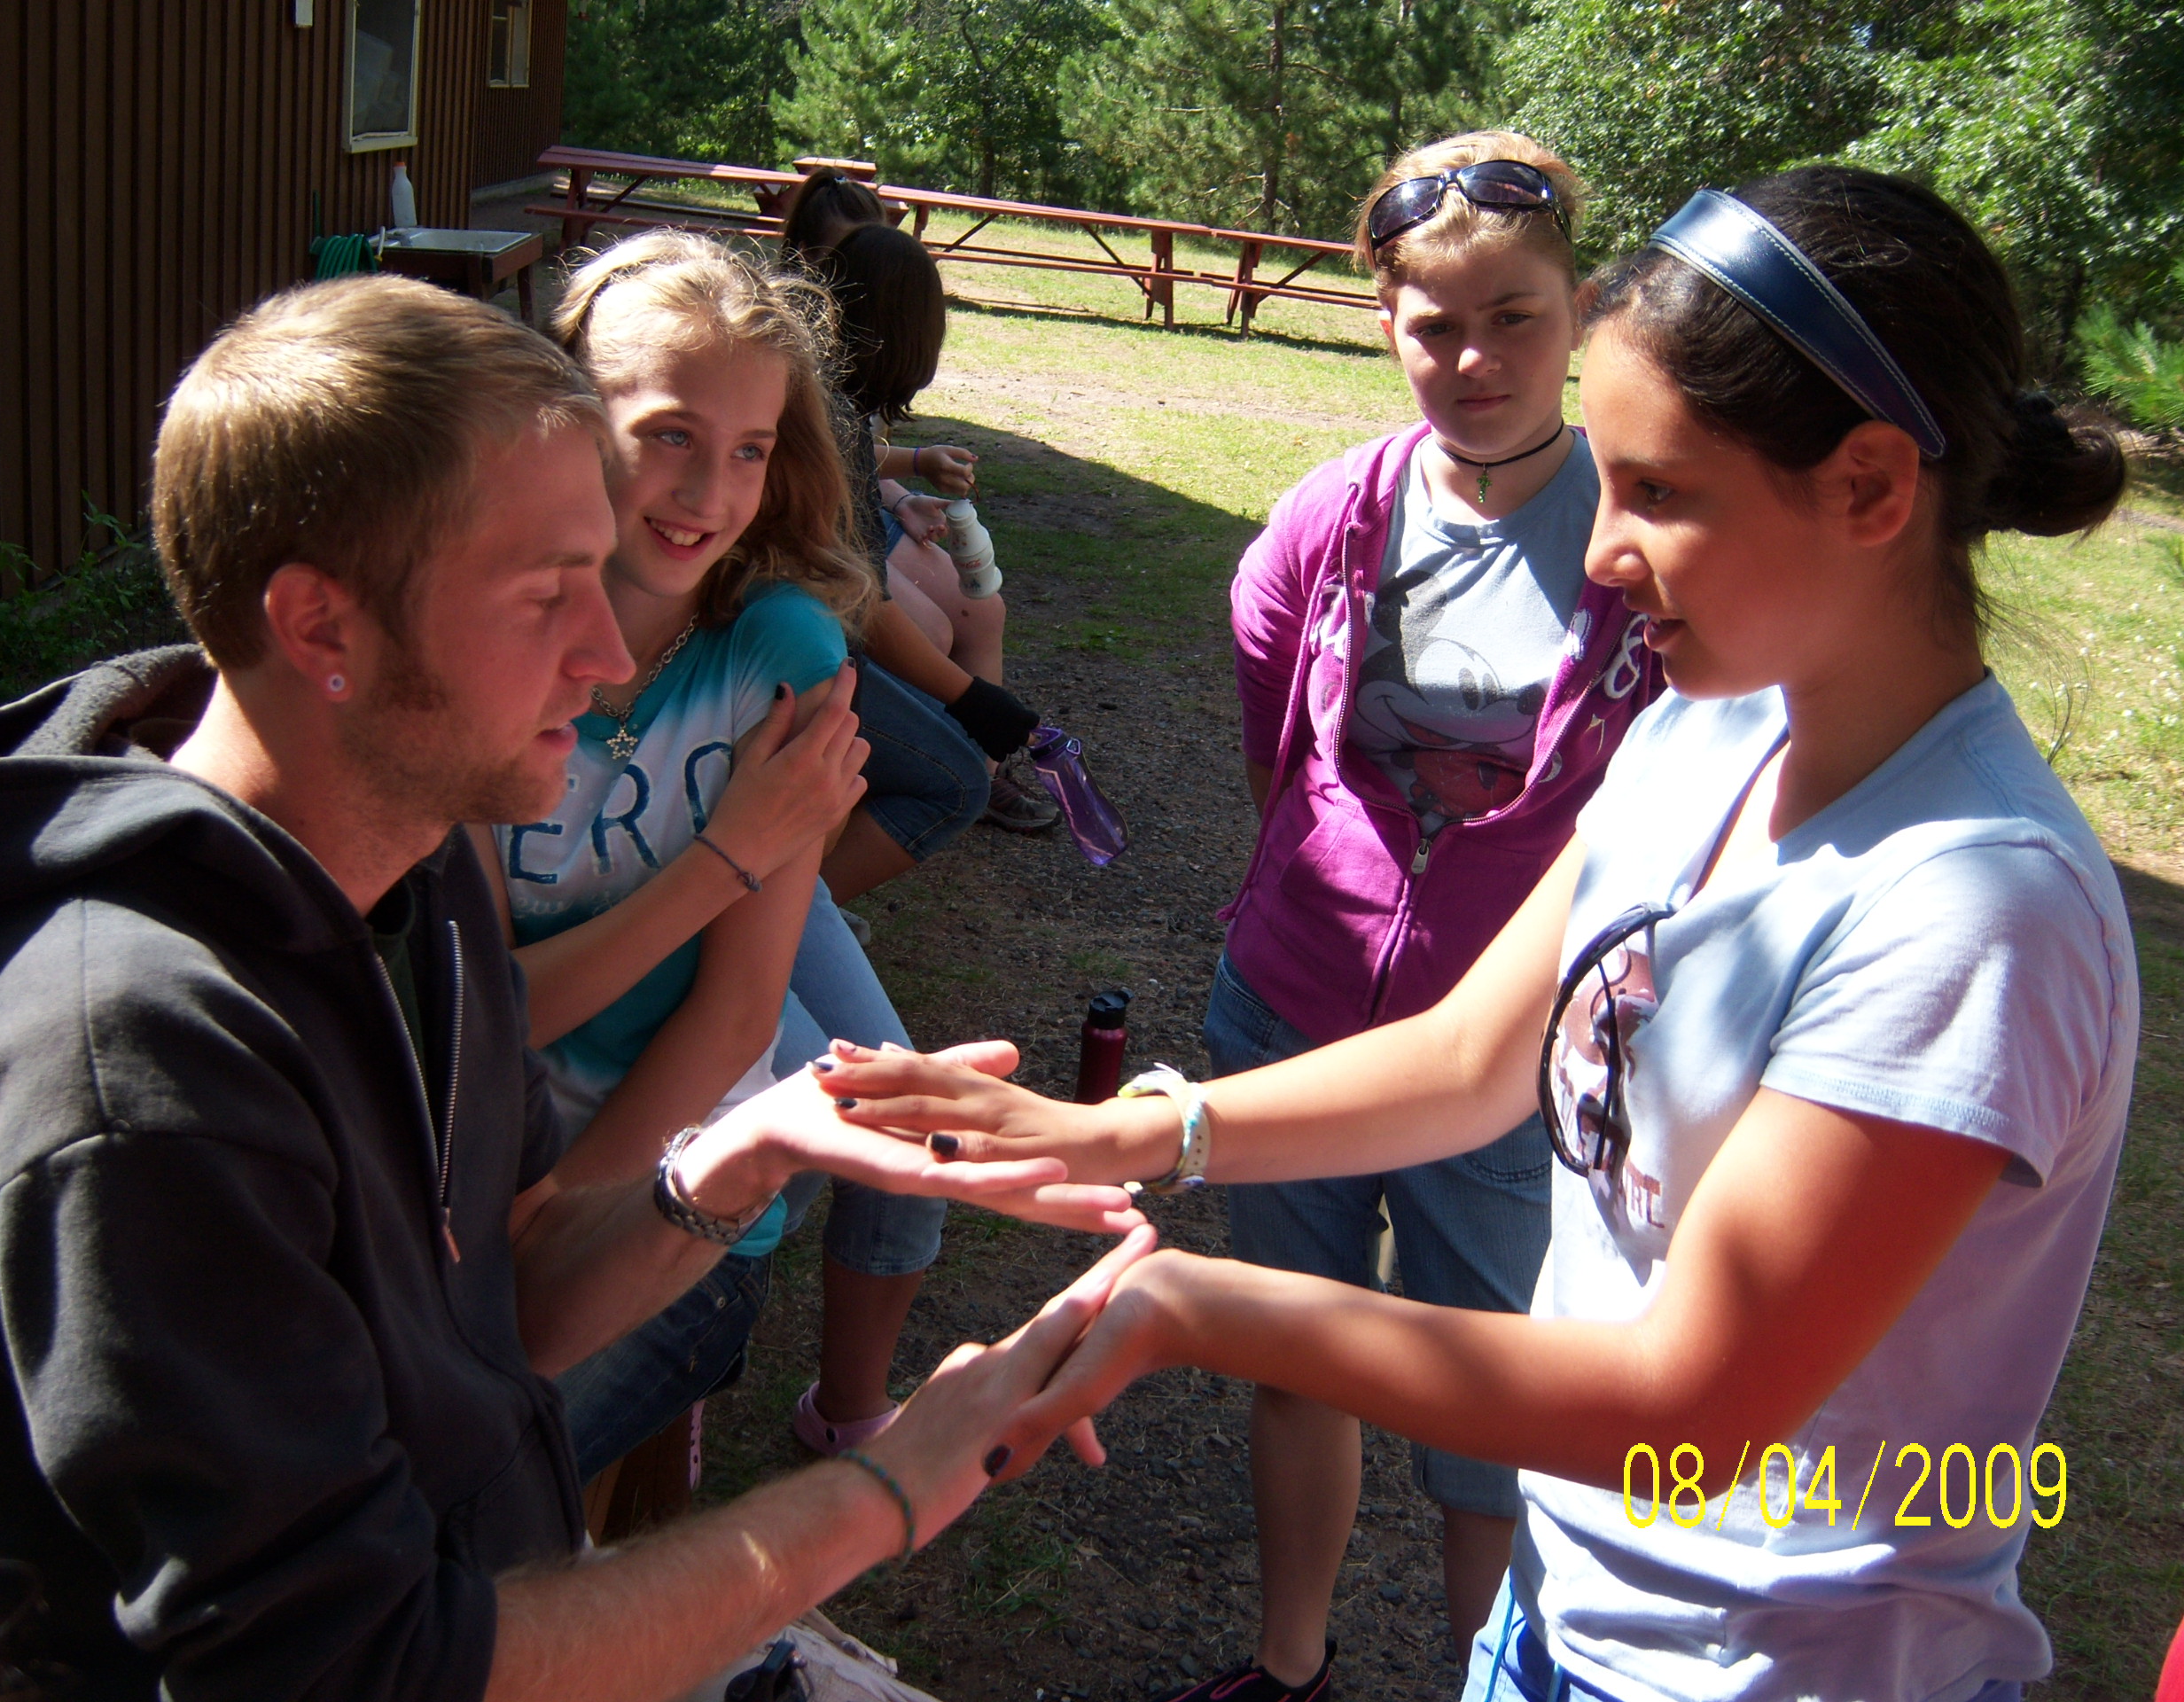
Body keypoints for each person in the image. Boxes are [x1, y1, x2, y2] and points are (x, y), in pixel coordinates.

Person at [821, 166, 2138, 1702]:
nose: (1602, 554)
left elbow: (1693, 1409)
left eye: (1660, 494)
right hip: (1561, 1619)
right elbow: (1468, 1060)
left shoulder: (1972, 910)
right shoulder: (1714, 730)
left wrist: (1194, 1305)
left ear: (1867, 490)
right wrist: (1126, 1132)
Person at [0, 272, 1148, 1701]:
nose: (610, 653)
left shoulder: (420, 870)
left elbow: (497, 1305)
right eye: (545, 592)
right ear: (321, 630)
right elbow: (370, 1666)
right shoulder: (138, 1079)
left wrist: (739, 1157)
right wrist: (877, 1493)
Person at [1169, 130, 1657, 1694]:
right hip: (1291, 1013)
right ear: (1384, 321)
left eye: (1516, 316)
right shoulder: (1329, 517)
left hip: (1511, 1065)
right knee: (1295, 1360)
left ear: (1578, 310)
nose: (1474, 359)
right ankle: (1288, 1667)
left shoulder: (1642, 537)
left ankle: (1485, 1679)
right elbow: (1278, 756)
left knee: (1488, 1413)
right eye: (1435, 323)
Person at [502, 229, 956, 1470]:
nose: (709, 493)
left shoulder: (783, 659)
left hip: (668, 1191)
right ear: (565, 414)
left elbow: (740, 1012)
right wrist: (726, 858)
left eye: (750, 450)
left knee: (474, 1496)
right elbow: (478, 1011)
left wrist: (556, 1228)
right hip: (482, 1160)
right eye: (669, 435)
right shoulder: (489, 635)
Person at [823, 222, 1063, 850]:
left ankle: (973, 763)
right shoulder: (821, 406)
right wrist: (976, 702)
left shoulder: (838, 400)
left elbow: (858, 464)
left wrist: (904, 491)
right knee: (953, 774)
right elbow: (863, 602)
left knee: (976, 607)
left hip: (834, 571)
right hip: (805, 614)